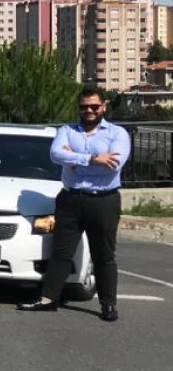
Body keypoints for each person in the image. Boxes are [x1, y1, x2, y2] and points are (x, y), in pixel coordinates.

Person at [18, 85, 130, 321]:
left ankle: (108, 304)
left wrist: (74, 161)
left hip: (104, 200)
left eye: (94, 106)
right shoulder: (67, 130)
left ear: (103, 106)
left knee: (104, 255)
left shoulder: (117, 134)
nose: (89, 110)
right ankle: (48, 300)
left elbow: (114, 165)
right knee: (61, 252)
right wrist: (92, 158)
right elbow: (55, 154)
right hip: (70, 199)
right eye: (84, 107)